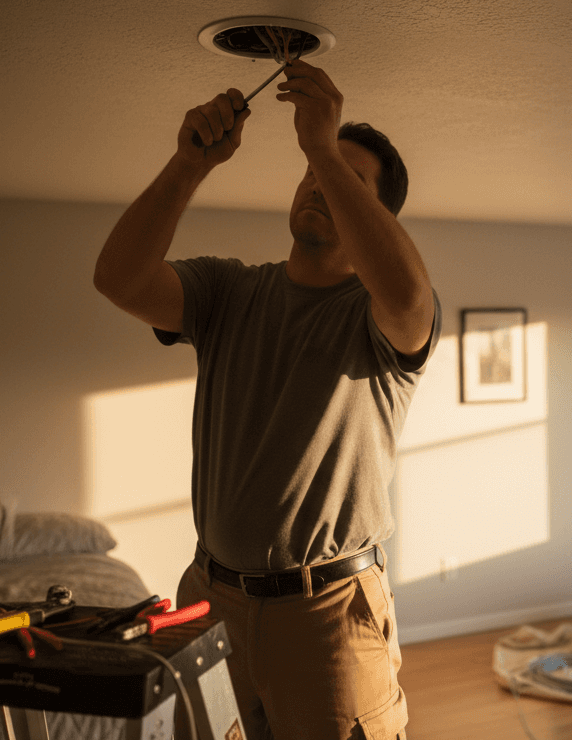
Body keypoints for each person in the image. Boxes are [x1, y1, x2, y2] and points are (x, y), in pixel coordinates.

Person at [93, 57, 438, 740]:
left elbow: (408, 296)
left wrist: (320, 143)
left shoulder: (378, 319)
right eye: (311, 172)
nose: (317, 183)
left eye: (345, 180)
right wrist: (189, 164)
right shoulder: (229, 291)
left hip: (329, 615)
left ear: (372, 210)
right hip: (209, 598)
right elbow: (118, 278)